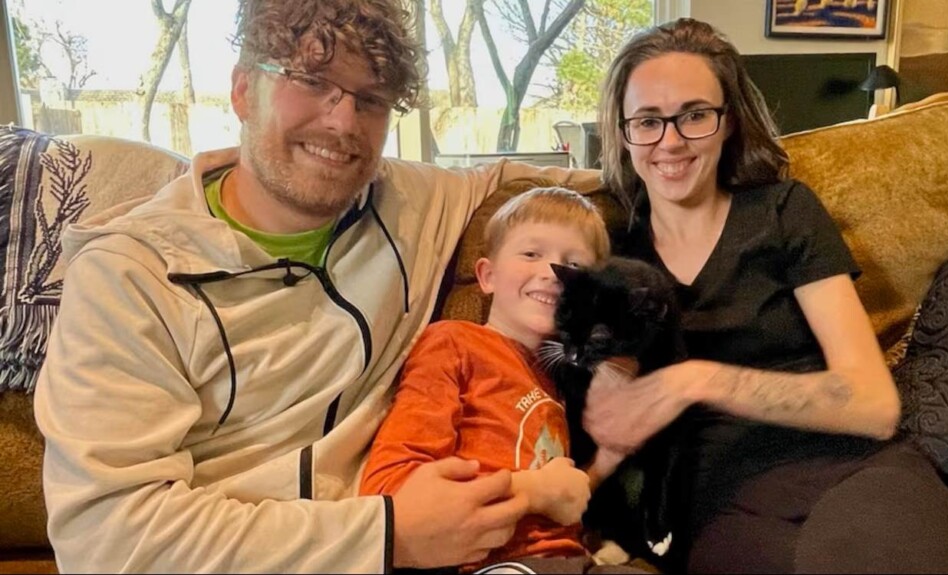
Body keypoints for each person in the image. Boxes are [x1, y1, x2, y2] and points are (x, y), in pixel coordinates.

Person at [32, 1, 592, 572]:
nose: (343, 122)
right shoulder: (129, 277)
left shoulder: (408, 202)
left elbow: (549, 185)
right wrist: (386, 534)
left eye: (370, 99)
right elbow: (107, 538)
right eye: (311, 80)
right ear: (243, 90)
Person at [582, 17, 948, 573]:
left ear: (727, 122)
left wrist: (697, 380)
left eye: (694, 115)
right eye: (648, 121)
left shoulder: (784, 212)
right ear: (623, 133)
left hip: (856, 471)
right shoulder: (611, 255)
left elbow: (875, 406)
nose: (670, 141)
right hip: (719, 505)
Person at [361, 186, 630, 574]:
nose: (551, 274)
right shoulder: (453, 343)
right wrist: (532, 492)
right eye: (531, 254)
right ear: (487, 276)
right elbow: (390, 490)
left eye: (574, 265)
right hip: (489, 561)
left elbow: (562, 494)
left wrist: (606, 462)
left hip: (564, 560)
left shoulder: (557, 379)